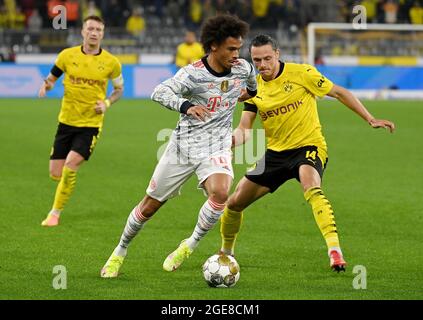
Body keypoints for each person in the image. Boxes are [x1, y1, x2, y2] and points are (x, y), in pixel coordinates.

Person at [219, 35, 395, 272]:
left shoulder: (302, 73)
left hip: (309, 146)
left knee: (311, 185)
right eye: (257, 60)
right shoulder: (254, 88)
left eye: (267, 58)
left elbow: (340, 93)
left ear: (278, 54)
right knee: (233, 203)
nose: (262, 65)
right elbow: (244, 130)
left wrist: (370, 118)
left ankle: (335, 251)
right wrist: (229, 142)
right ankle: (226, 253)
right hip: (275, 154)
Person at [100, 14, 257, 278]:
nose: (236, 54)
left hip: (216, 145)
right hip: (182, 148)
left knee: (220, 193)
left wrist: (246, 95)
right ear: (214, 46)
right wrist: (186, 105)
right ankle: (120, 251)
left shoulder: (244, 68)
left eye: (239, 48)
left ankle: (189, 244)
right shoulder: (193, 73)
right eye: (231, 48)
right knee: (149, 206)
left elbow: (252, 87)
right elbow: (159, 92)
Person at [38, 15, 124, 227]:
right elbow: (52, 77)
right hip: (66, 122)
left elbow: (119, 90)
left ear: (102, 34)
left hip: (90, 125)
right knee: (55, 173)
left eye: (98, 30)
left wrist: (107, 103)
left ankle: (54, 214)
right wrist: (47, 85)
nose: (94, 33)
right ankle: (66, 186)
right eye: (91, 29)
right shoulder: (67, 56)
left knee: (71, 164)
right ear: (83, 32)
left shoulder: (112, 63)